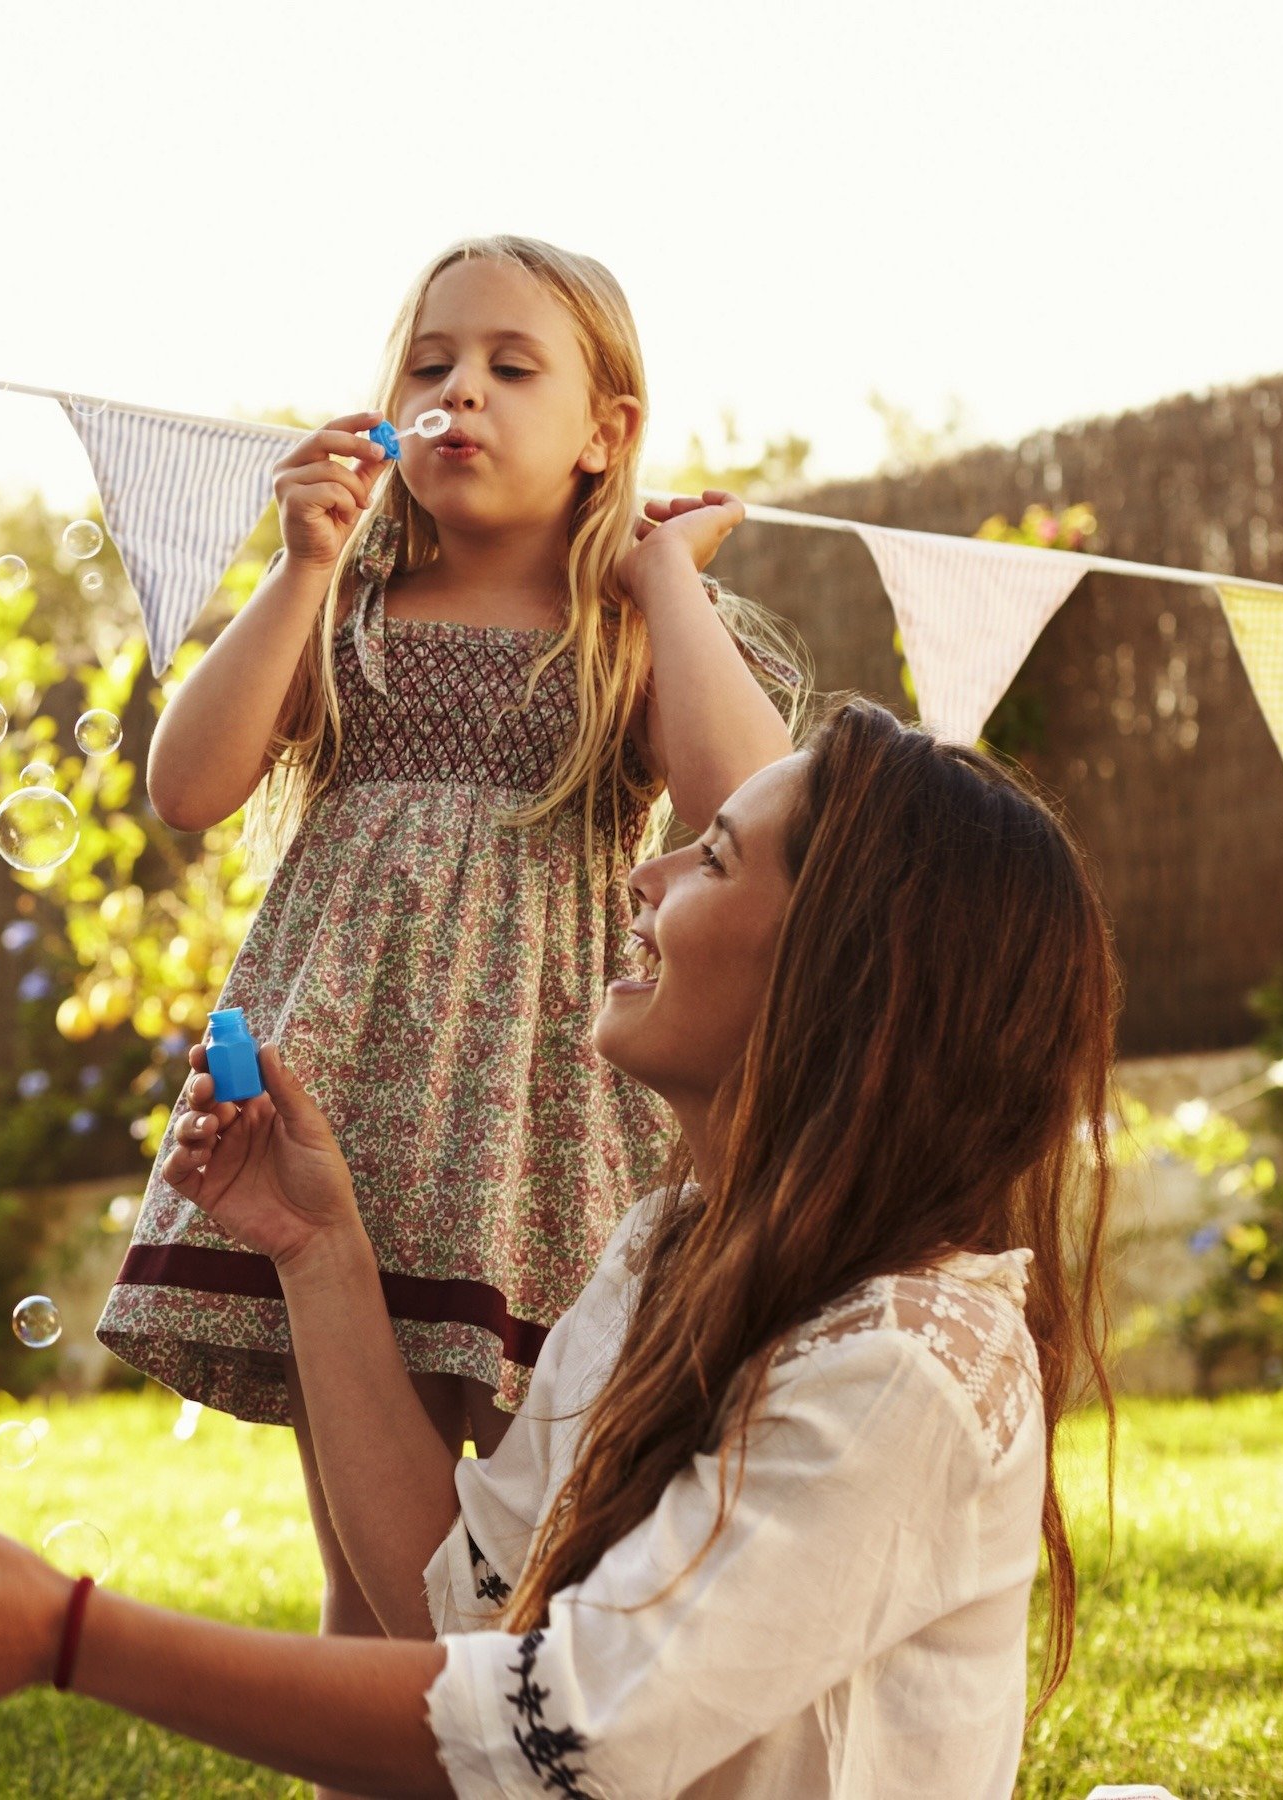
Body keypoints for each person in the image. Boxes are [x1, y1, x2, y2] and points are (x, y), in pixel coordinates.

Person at [0, 700, 1118, 1799]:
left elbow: (566, 1736)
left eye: (711, 858)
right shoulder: (667, 1256)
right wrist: (318, 1250)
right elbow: (459, 1616)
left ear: (843, 969)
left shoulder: (905, 1364)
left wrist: (69, 1637)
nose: (640, 875)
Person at [93, 234, 800, 1672]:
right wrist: (301, 561)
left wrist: (666, 574)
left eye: (509, 366)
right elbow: (186, 785)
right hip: (342, 1120)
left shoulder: (628, 632)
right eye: (431, 363)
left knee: (535, 1563)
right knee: (368, 1587)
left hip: (545, 1127)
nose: (459, 390)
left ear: (608, 435)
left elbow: (753, 805)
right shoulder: (345, 609)